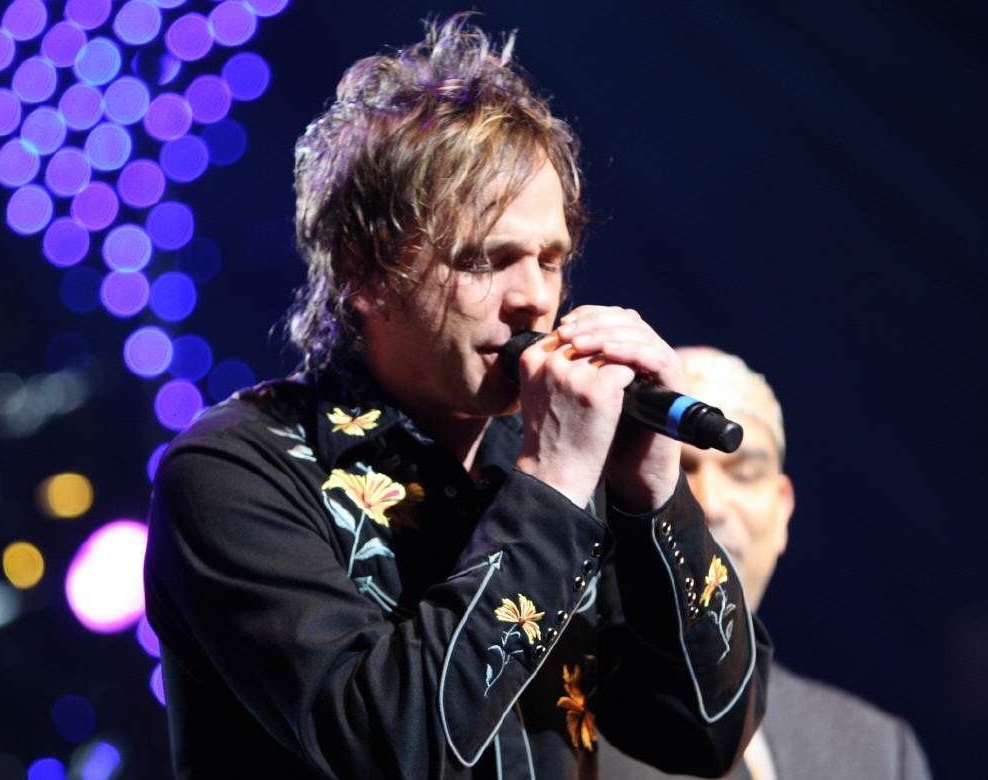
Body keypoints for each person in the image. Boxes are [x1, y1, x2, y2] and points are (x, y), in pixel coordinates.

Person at [144, 16, 770, 778]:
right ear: (364, 272)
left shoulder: (564, 465)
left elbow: (707, 732)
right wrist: (553, 485)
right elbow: (392, 752)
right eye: (484, 261)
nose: (534, 298)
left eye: (550, 258)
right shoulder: (235, 472)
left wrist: (653, 496)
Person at [599, 347, 933, 780]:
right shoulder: (567, 713)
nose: (711, 504)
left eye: (743, 474)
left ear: (782, 511)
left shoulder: (877, 751)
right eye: (680, 472)